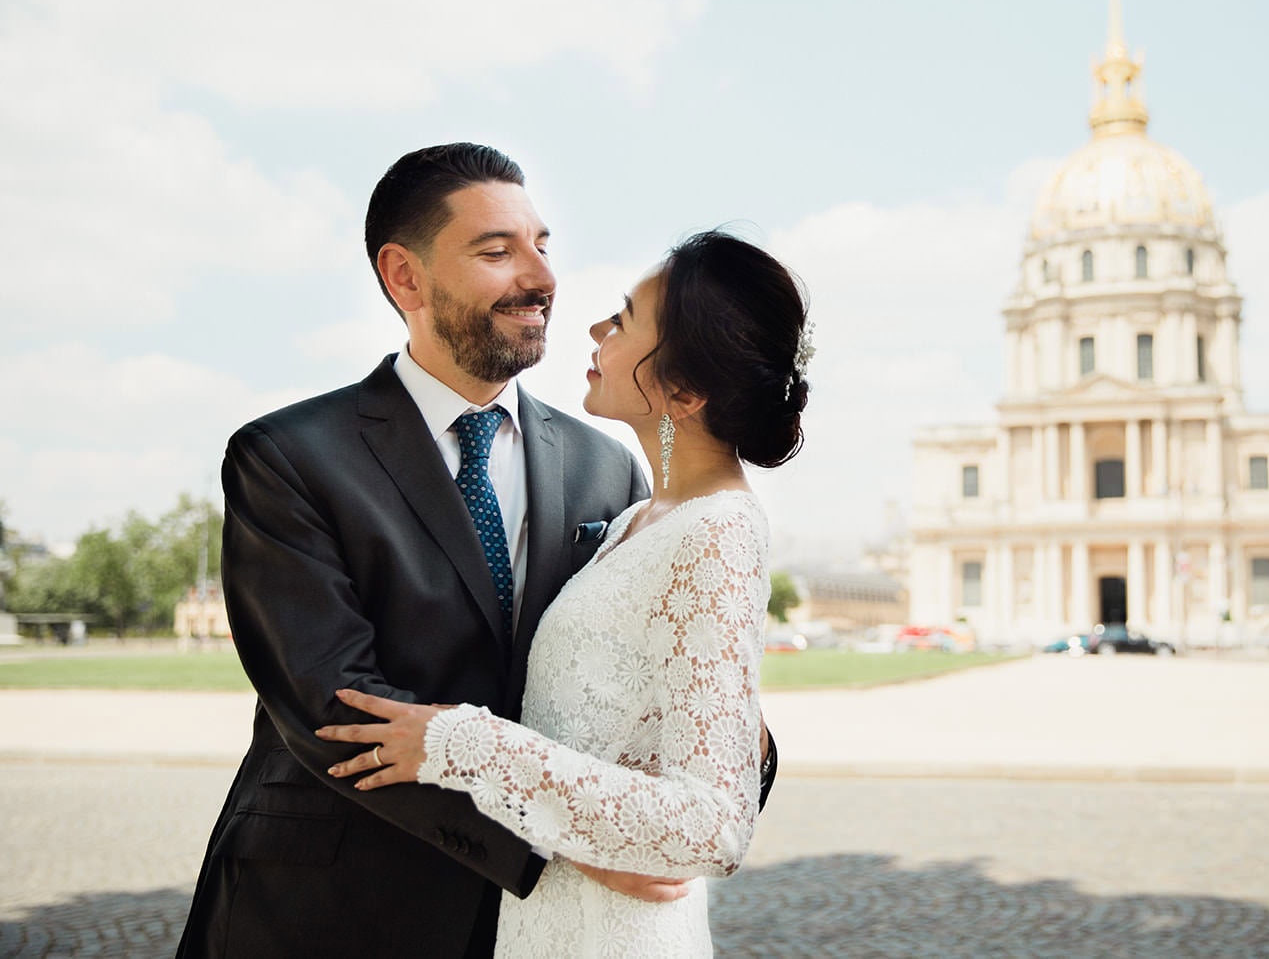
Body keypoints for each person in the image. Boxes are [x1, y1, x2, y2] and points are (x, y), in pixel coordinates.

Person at [177, 144, 776, 958]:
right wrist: (560, 840)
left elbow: (673, 675)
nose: (541, 276)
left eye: (542, 244)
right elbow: (337, 712)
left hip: (531, 932)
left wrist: (682, 805)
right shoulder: (288, 457)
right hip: (327, 910)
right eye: (497, 251)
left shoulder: (608, 467)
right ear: (406, 278)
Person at [316, 229, 812, 957]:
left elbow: (713, 823)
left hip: (618, 933)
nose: (594, 329)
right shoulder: (637, 519)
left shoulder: (719, 531)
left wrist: (463, 741)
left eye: (624, 319)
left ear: (684, 389)